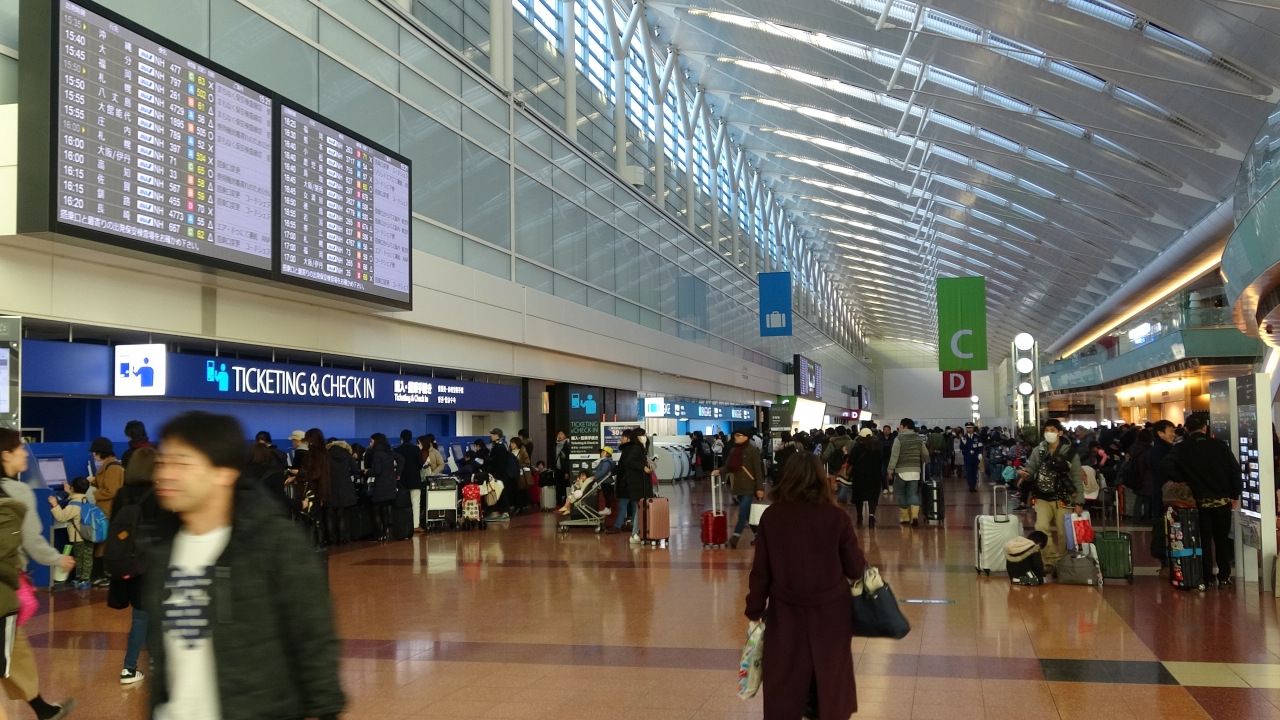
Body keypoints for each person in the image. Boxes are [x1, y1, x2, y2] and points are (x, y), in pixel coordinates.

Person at [144, 411, 344, 719]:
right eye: (162, 462)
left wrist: (326, 710)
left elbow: (313, 640)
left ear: (224, 473)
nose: (165, 474)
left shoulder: (274, 544)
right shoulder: (164, 551)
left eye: (181, 463)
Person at [744, 454, 869, 720]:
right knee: (830, 672)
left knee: (786, 674)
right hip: (831, 611)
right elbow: (856, 568)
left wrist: (754, 608)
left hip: (785, 610)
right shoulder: (836, 517)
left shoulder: (772, 516)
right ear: (820, 479)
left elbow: (761, 570)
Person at [0, 428, 77, 720]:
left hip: (5, 592)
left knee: (16, 648)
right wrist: (58, 558)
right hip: (5, 587)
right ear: (5, 455)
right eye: (19, 448)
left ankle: (42, 709)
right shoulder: (18, 492)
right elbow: (31, 541)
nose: (24, 453)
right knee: (10, 649)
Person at [1162, 415, 1242, 588]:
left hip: (1198, 502)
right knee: (1222, 540)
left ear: (1187, 429)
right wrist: (1235, 495)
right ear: (1205, 428)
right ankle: (1224, 577)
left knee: (1203, 540)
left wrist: (1182, 478)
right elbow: (1235, 470)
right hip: (1222, 501)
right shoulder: (1220, 446)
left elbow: (1166, 465)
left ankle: (1208, 577)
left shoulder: (1182, 447)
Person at [108, 446, 161, 685]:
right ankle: (131, 668)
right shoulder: (158, 494)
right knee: (149, 614)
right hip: (151, 563)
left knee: (140, 614)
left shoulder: (121, 494)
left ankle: (136, 665)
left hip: (125, 562)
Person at [1017, 419, 1085, 575]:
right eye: (1047, 430)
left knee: (1063, 532)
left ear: (1060, 433)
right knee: (1041, 527)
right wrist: (1025, 475)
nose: (1049, 433)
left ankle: (1062, 562)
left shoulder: (1070, 453)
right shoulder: (1038, 451)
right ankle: (1051, 560)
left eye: (1053, 430)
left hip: (1064, 498)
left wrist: (1079, 502)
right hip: (1042, 497)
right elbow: (1032, 469)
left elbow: (1076, 478)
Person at [715, 429, 765, 549]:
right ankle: (760, 535)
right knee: (747, 514)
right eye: (735, 435)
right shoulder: (734, 451)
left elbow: (758, 470)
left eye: (738, 435)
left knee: (742, 511)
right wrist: (719, 471)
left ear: (746, 437)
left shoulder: (752, 450)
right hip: (738, 487)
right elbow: (728, 466)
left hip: (749, 486)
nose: (736, 437)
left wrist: (760, 488)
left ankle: (735, 537)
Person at [47, 477, 95, 590]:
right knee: (87, 558)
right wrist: (70, 492)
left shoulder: (73, 505)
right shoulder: (85, 500)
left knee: (80, 558)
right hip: (89, 534)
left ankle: (83, 579)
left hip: (79, 537)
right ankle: (84, 579)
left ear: (72, 488)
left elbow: (62, 517)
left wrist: (55, 504)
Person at [1148, 420, 1178, 575]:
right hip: (1166, 496)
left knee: (1162, 528)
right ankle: (1168, 565)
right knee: (1166, 529)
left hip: (1159, 496)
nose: (1174, 434)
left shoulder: (1156, 449)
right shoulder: (1164, 451)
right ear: (1160, 433)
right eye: (1170, 431)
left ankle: (1166, 565)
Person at [885, 419, 927, 526]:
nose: (899, 427)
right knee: (913, 494)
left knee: (901, 494)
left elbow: (894, 456)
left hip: (901, 471)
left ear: (905, 426)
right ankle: (915, 516)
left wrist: (890, 470)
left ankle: (906, 518)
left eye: (900, 425)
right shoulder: (918, 438)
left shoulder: (899, 438)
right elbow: (925, 454)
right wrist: (925, 461)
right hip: (915, 471)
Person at [611, 431, 650, 541]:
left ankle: (632, 530)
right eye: (643, 435)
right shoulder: (636, 448)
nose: (645, 437)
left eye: (623, 438)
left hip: (629, 482)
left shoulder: (635, 448)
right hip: (632, 482)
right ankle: (633, 531)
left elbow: (626, 463)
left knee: (634, 505)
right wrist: (643, 467)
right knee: (634, 506)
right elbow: (629, 462)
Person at [365, 434, 401, 542]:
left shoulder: (376, 454)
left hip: (380, 485)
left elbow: (377, 471)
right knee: (385, 509)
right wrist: (397, 473)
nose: (370, 443)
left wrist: (368, 472)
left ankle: (378, 535)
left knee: (376, 510)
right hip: (390, 485)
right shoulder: (389, 452)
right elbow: (401, 459)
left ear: (376, 442)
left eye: (371, 441)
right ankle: (384, 533)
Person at [325, 440, 359, 545]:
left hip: (330, 487)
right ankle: (343, 538)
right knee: (342, 514)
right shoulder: (347, 455)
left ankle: (331, 539)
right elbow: (355, 469)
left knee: (330, 514)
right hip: (345, 486)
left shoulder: (327, 456)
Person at [245, 444, 293, 517]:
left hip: (245, 513)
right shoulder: (275, 474)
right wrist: (300, 504)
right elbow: (281, 500)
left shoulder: (241, 473)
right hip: (267, 515)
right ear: (267, 455)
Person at [848, 429, 882, 528]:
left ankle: (859, 517)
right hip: (874, 477)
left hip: (859, 477)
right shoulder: (876, 449)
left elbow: (851, 461)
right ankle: (871, 517)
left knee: (859, 498)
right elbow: (880, 462)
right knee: (872, 497)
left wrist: (845, 453)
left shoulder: (857, 448)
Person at [395, 430, 426, 532]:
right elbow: (420, 464)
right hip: (414, 480)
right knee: (415, 503)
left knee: (402, 503)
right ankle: (415, 525)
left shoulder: (397, 450)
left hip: (401, 481)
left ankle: (403, 525)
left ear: (401, 438)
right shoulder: (415, 449)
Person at [960, 423, 984, 493]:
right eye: (968, 428)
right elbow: (961, 447)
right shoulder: (964, 437)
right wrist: (964, 443)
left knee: (974, 472)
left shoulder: (977, 437)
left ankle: (973, 485)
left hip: (975, 457)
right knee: (969, 472)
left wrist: (980, 453)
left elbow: (980, 446)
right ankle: (971, 486)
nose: (969, 429)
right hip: (967, 457)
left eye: (970, 428)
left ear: (973, 428)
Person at [553, 431, 571, 506]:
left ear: (565, 436)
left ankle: (566, 502)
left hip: (564, 469)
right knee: (558, 486)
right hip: (557, 469)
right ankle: (558, 502)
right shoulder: (555, 445)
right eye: (558, 434)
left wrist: (567, 471)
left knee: (565, 486)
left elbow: (568, 460)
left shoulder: (567, 445)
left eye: (562, 434)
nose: (560, 435)